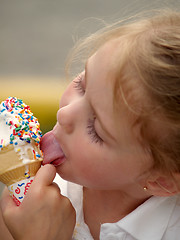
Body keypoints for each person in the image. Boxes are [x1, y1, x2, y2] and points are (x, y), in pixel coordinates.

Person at [1, 8, 180, 240]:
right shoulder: (38, 192)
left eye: (96, 130)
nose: (64, 114)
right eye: (81, 86)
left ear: (160, 180)